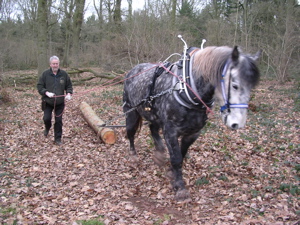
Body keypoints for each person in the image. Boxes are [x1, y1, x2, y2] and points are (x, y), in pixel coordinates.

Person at [37, 56, 73, 145]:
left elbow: (69, 86)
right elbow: (39, 86)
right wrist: (46, 93)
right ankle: (47, 128)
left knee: (58, 121)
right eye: (53, 63)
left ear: (58, 64)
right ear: (50, 64)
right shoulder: (45, 74)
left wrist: (69, 94)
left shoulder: (64, 74)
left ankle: (57, 139)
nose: (55, 65)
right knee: (47, 118)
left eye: (56, 63)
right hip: (48, 102)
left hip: (60, 103)